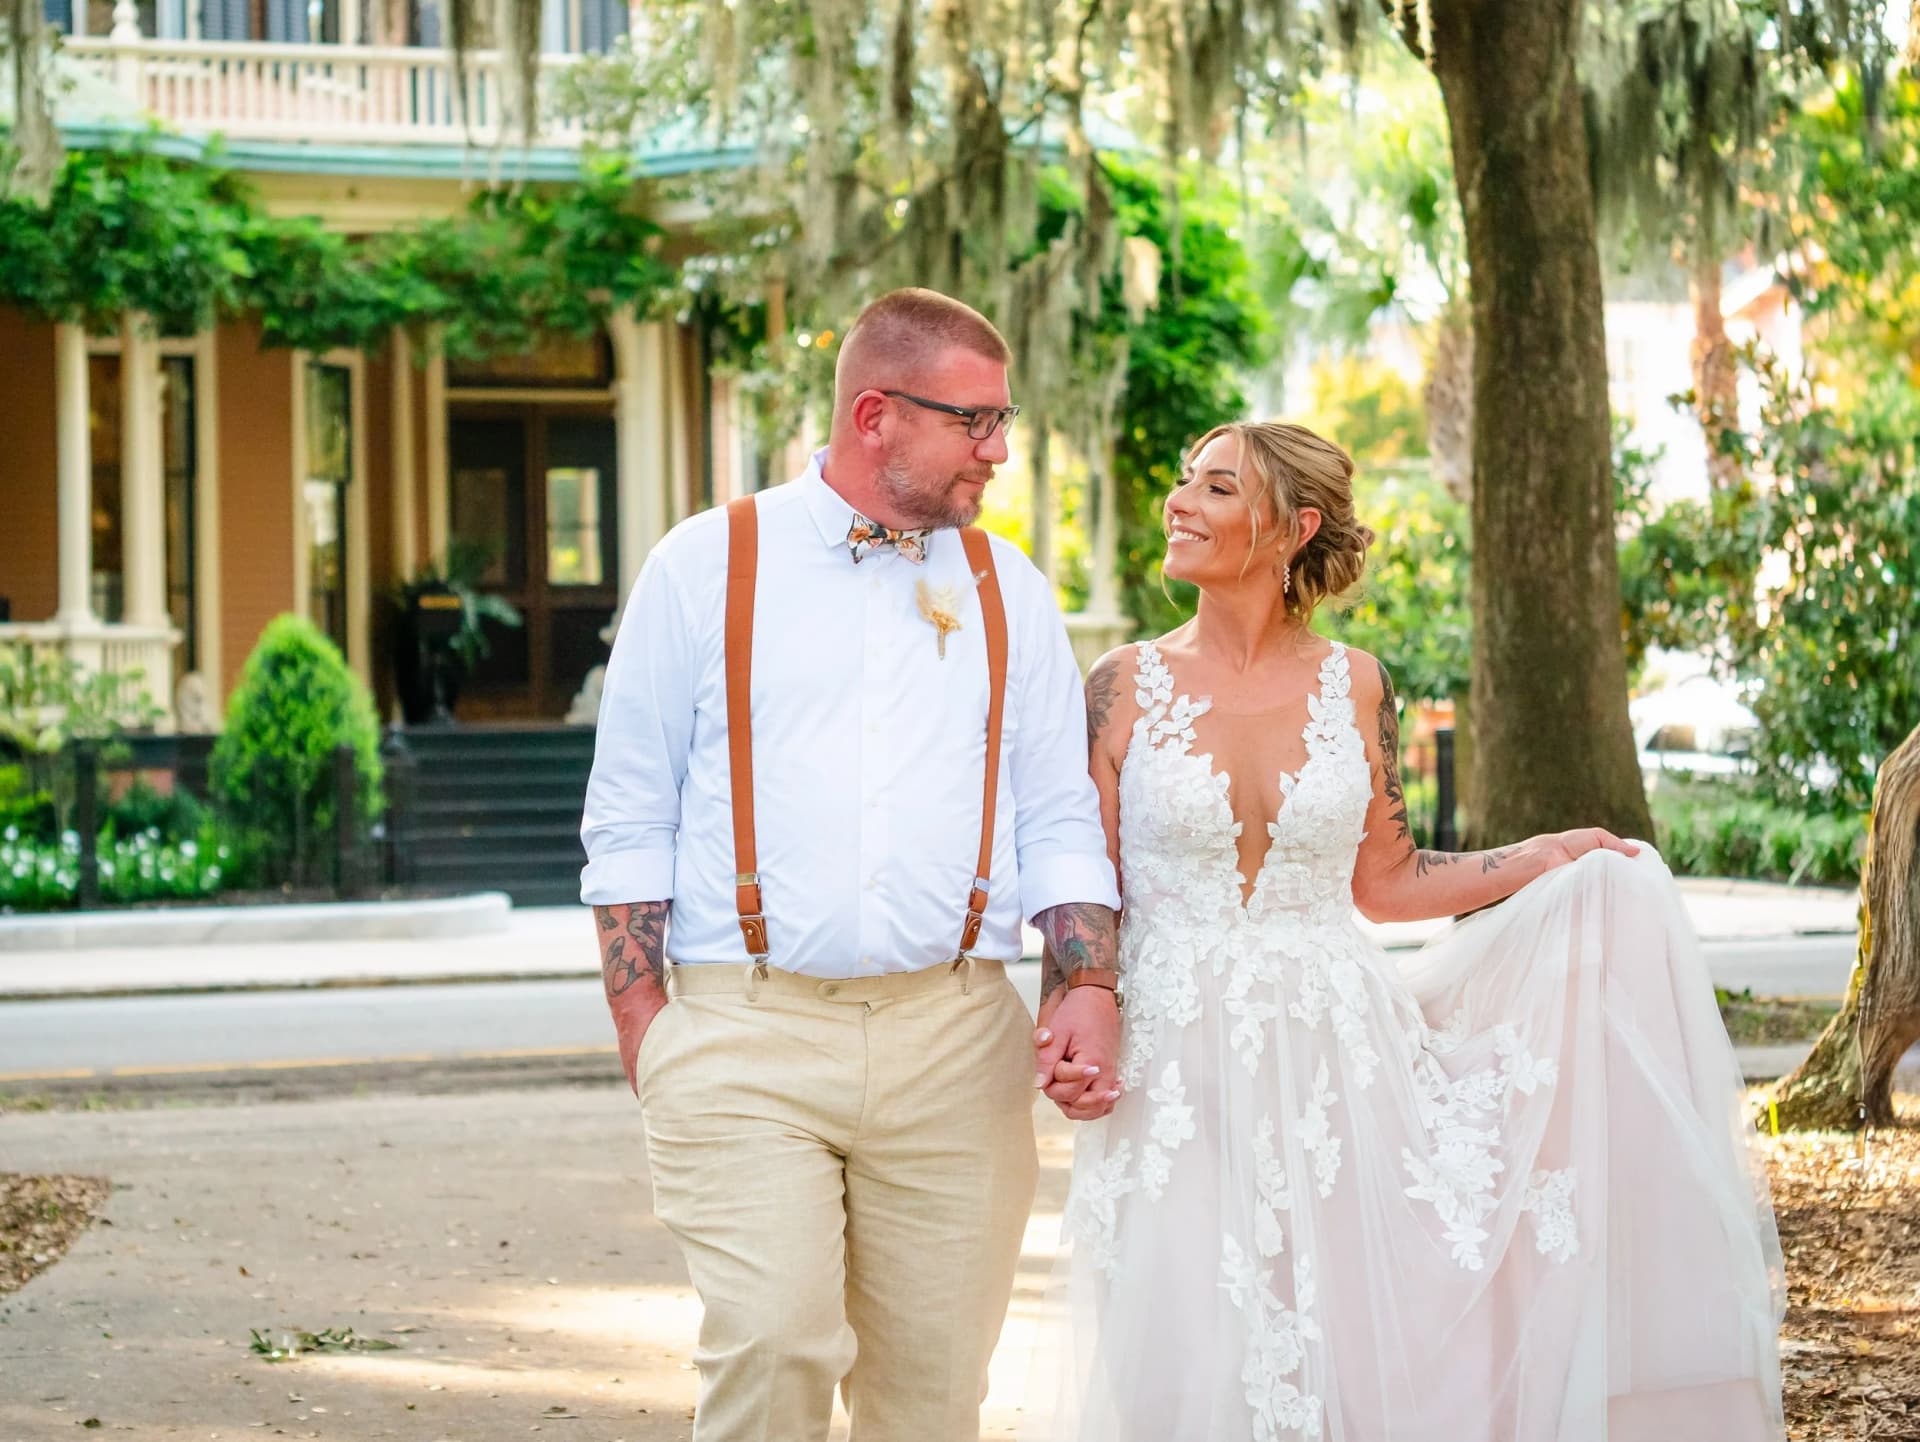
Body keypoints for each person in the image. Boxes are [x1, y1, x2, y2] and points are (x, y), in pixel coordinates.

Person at [1027, 420, 1787, 1441]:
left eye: (1213, 487)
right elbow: (1085, 881)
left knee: (1345, 1345)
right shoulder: (1120, 685)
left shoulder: (1359, 683)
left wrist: (1543, 856)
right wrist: (1075, 1019)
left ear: (1291, 527)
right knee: (1182, 1354)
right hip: (1173, 1071)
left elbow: (1385, 881)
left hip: (1341, 1063)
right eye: (1183, 482)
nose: (1178, 502)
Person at [580, 286, 1124, 1442]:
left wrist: (1087, 980)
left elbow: (1059, 812)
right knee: (773, 1345)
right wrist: (646, 1019)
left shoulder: (1006, 588)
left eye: (1003, 418)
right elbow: (627, 810)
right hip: (744, 1033)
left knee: (929, 1398)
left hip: (954, 1037)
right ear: (876, 413)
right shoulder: (702, 564)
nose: (1001, 448)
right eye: (973, 421)